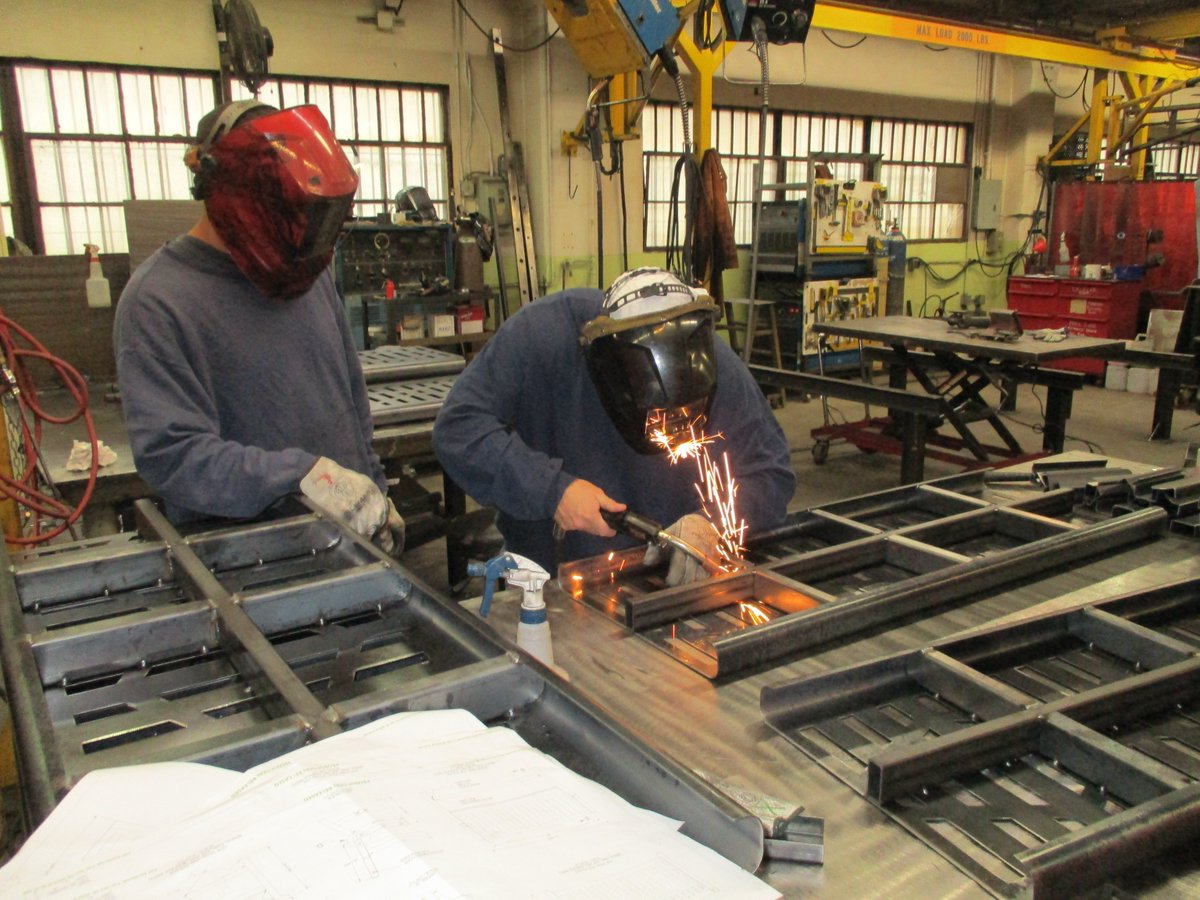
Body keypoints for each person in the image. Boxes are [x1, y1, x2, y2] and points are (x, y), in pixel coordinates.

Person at [113, 99, 403, 553]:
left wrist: (376, 488)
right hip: (251, 568)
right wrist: (303, 476)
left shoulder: (306, 272)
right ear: (233, 196)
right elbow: (175, 458)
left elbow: (349, 400)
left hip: (347, 549)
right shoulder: (158, 302)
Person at [432, 267, 795, 584]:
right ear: (612, 377)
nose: (670, 436)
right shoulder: (541, 337)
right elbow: (459, 429)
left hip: (673, 582)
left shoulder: (711, 359)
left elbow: (770, 471)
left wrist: (711, 524)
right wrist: (551, 490)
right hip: (550, 583)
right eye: (656, 418)